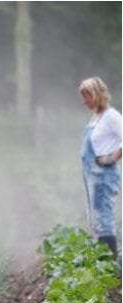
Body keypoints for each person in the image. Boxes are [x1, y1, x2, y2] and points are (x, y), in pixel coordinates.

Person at [78, 76, 121, 261]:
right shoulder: (96, 117)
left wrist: (113, 157)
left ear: (96, 95)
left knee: (104, 220)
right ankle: (103, 263)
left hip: (104, 175)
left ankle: (110, 267)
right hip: (92, 175)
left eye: (86, 96)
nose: (84, 101)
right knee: (96, 221)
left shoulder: (111, 116)